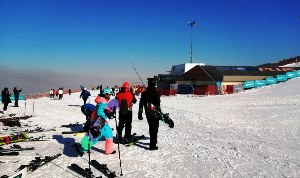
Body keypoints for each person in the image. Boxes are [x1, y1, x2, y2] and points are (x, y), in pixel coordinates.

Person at [138, 78, 161, 150]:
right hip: (155, 113)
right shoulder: (156, 93)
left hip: (148, 113)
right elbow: (158, 105)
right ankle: (152, 145)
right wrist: (159, 113)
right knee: (155, 128)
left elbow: (141, 104)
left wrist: (140, 113)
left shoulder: (144, 93)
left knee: (151, 127)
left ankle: (153, 141)